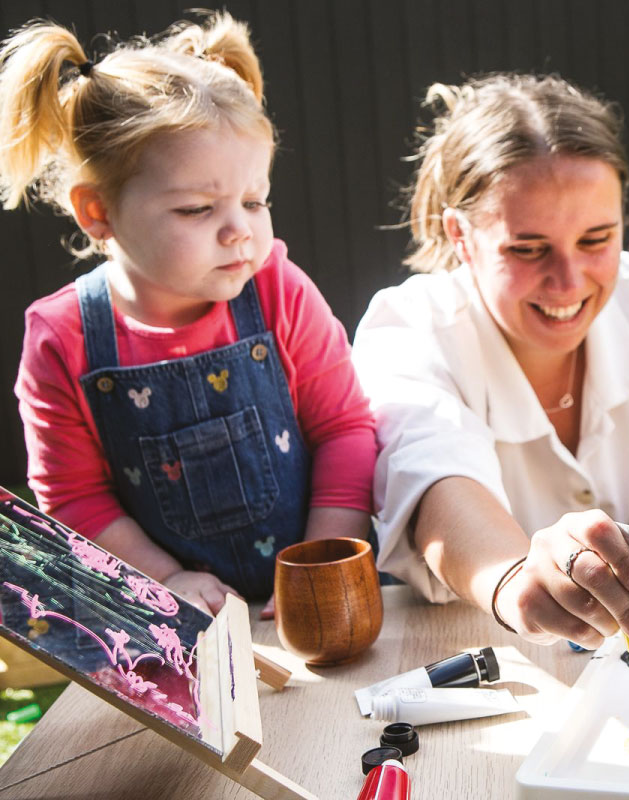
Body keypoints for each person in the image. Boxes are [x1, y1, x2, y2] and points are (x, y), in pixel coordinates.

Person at [353, 73, 629, 650]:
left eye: (597, 239)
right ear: (460, 237)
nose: (568, 282)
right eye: (528, 248)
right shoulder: (408, 326)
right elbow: (437, 485)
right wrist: (514, 580)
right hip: (474, 657)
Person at [1, 12, 376, 616]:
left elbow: (345, 430)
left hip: (327, 599)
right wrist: (166, 580)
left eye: (255, 201)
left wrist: (322, 559)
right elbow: (75, 499)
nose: (239, 232)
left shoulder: (279, 291)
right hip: (184, 626)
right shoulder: (64, 340)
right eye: (198, 209)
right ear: (97, 211)